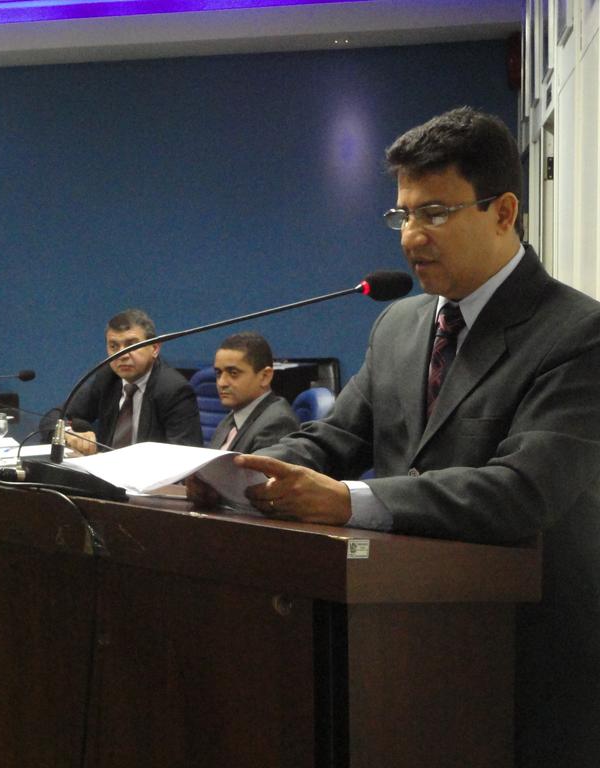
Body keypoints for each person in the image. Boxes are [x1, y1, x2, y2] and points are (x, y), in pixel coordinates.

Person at [189, 106, 600, 767]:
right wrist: (237, 470)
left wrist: (350, 501)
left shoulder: (576, 333)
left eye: (435, 212)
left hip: (525, 660)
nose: (411, 236)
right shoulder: (401, 326)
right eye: (402, 215)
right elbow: (332, 439)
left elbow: (523, 490)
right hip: (400, 644)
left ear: (503, 212)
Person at [60, 308, 202, 454]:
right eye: (114, 346)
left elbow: (184, 456)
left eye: (132, 346)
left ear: (154, 348)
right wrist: (69, 433)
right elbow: (58, 415)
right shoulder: (108, 377)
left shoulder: (174, 390)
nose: (122, 355)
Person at [208, 332, 299, 452]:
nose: (222, 383)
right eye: (219, 373)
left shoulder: (277, 424)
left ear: (265, 376)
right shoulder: (231, 418)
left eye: (233, 373)